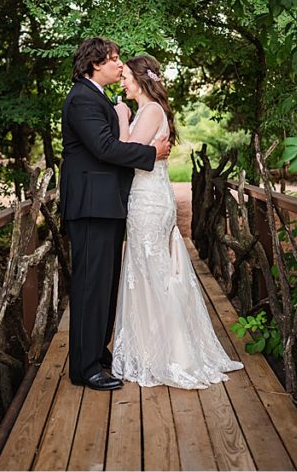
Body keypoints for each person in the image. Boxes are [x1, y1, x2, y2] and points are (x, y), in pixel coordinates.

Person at [111, 55, 243, 388]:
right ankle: (151, 349)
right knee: (148, 271)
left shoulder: (150, 110)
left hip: (149, 202)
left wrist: (120, 117)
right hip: (148, 198)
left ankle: (175, 354)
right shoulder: (149, 110)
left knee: (153, 272)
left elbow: (127, 151)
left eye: (126, 76)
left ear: (141, 79)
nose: (122, 82)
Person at [59, 37, 171, 391]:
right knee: (91, 285)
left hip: (106, 205)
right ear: (95, 64)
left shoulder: (97, 98)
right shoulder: (81, 99)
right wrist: (152, 154)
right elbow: (106, 148)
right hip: (91, 206)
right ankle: (84, 367)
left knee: (104, 285)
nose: (120, 65)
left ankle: (97, 353)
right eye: (114, 59)